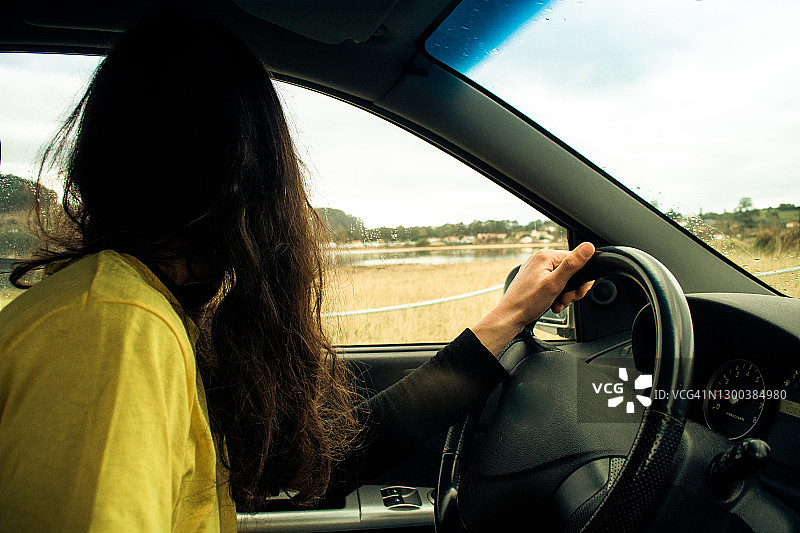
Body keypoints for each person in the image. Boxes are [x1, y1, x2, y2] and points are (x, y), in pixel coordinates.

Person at [0, 11, 594, 532]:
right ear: (248, 176)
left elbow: (325, 459)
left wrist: (512, 314)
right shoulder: (115, 331)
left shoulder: (144, 310)